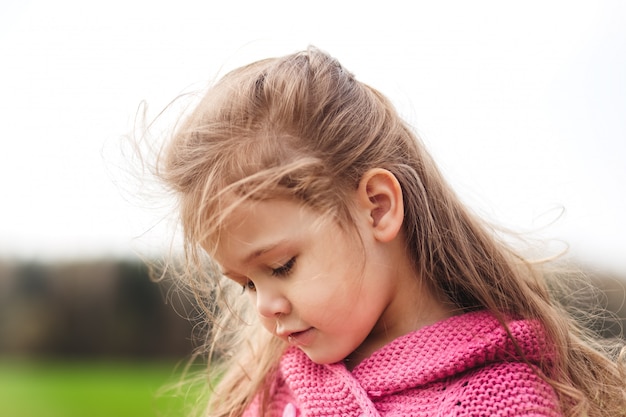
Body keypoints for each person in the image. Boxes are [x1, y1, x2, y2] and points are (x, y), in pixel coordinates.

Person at [152, 47, 625, 416]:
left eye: (282, 266)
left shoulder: (497, 401)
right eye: (248, 284)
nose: (265, 308)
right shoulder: (273, 385)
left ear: (377, 208)